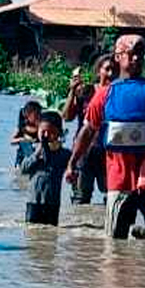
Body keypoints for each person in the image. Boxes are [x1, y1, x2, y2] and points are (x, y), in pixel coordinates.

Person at [65, 34, 145, 240]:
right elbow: (88, 131)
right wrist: (72, 163)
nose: (136, 58)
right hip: (119, 179)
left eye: (140, 54)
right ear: (118, 57)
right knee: (115, 241)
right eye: (131, 54)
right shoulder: (104, 94)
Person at [62, 53, 117, 204]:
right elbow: (67, 117)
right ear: (99, 70)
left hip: (109, 152)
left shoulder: (118, 94)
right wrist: (72, 91)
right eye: (107, 69)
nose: (110, 74)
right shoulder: (86, 92)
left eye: (114, 70)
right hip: (84, 151)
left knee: (112, 197)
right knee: (80, 198)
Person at [20, 111, 73, 226]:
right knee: (32, 232)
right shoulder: (31, 149)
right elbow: (23, 169)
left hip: (52, 202)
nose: (46, 135)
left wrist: (72, 173)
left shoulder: (64, 154)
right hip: (33, 201)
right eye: (43, 132)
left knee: (51, 233)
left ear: (59, 133)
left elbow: (73, 169)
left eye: (51, 132)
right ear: (37, 131)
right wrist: (37, 153)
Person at [11, 100, 42, 166]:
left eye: (39, 114)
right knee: (24, 143)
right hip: (23, 155)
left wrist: (39, 126)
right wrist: (22, 139)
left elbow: (41, 139)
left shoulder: (40, 127)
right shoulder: (22, 127)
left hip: (36, 153)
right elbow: (12, 141)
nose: (38, 117)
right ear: (27, 115)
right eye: (36, 115)